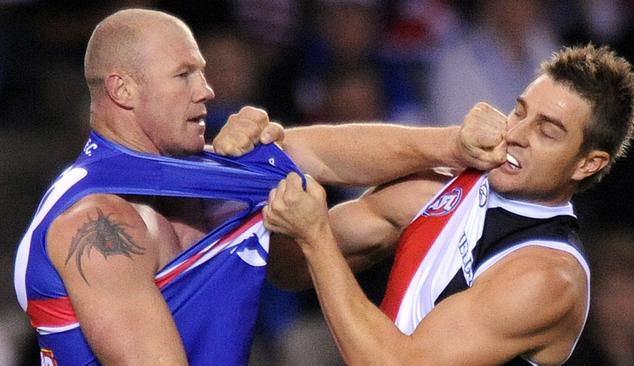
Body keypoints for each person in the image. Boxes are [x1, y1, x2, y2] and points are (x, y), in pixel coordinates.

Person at [13, 8, 508, 365]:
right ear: (123, 89)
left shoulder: (200, 172)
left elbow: (319, 152)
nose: (206, 90)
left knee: (420, 194)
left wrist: (454, 144)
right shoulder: (98, 223)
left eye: (203, 73)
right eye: (184, 74)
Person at [249, 44, 634, 365]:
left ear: (588, 163)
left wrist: (315, 236)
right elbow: (288, 268)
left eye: (548, 131)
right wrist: (256, 147)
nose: (518, 134)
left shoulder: (548, 277)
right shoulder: (442, 190)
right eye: (520, 112)